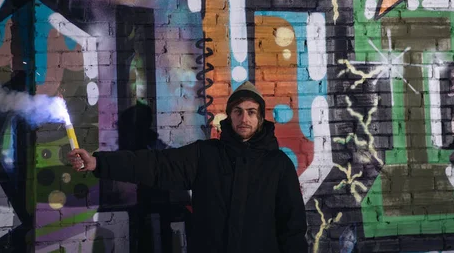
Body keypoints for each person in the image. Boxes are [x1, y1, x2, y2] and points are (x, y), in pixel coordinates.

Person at [69, 81, 308, 253]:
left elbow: (293, 228)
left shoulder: (278, 166)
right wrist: (99, 162)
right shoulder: (205, 155)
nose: (244, 118)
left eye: (251, 112)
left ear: (260, 118)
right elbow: (156, 165)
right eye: (238, 111)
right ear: (229, 116)